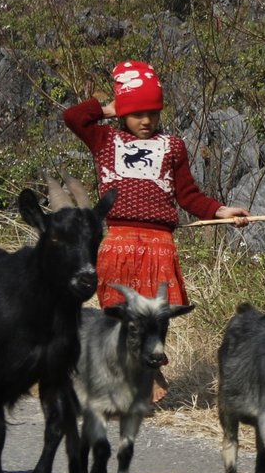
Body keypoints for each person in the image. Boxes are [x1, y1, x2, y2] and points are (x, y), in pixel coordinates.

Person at [63, 58, 249, 354]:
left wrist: (220, 211)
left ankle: (149, 370)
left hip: (159, 248)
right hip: (119, 245)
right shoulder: (105, 140)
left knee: (155, 318)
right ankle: (114, 370)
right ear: (124, 114)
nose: (146, 121)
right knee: (118, 317)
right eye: (137, 114)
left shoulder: (172, 146)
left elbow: (188, 195)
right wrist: (108, 109)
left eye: (152, 113)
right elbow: (73, 117)